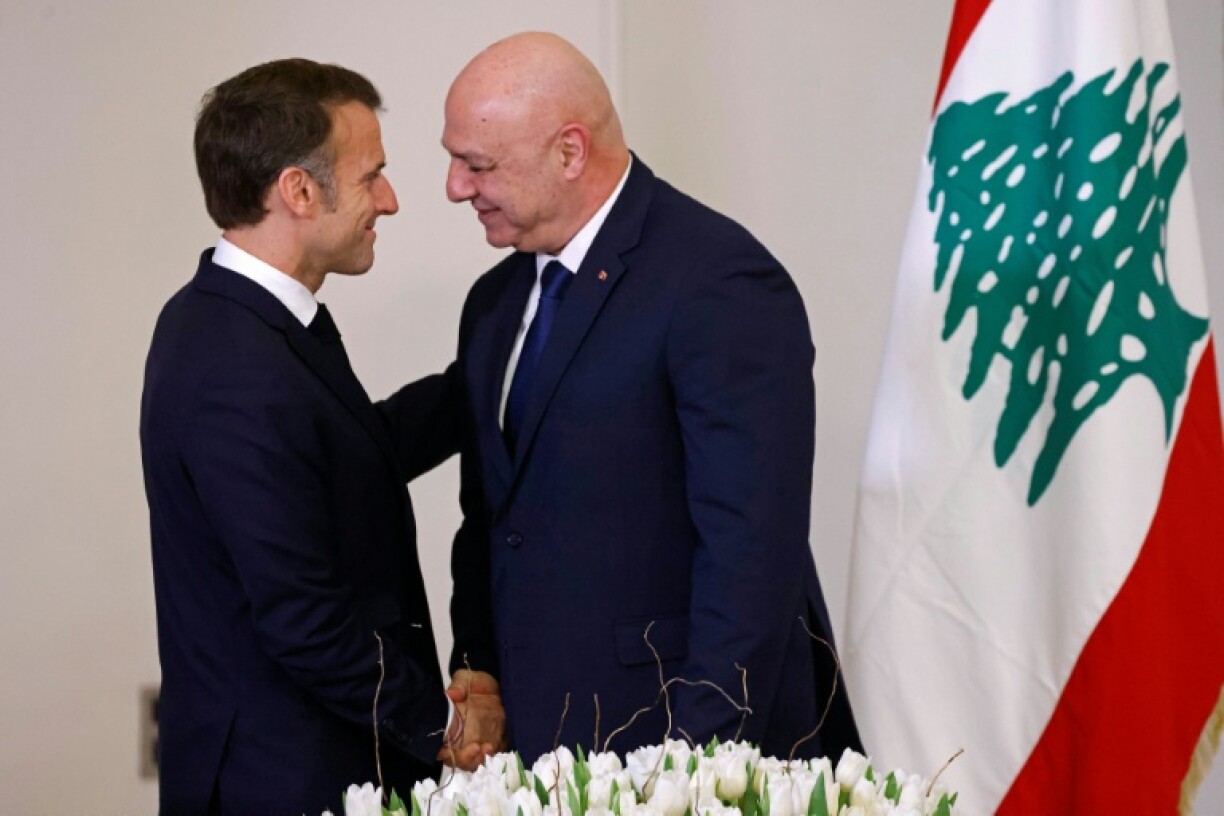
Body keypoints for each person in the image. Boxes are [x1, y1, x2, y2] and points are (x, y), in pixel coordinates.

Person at [442, 32, 861, 761]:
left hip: (677, 750)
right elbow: (490, 518)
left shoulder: (719, 281)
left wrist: (696, 766)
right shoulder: (494, 300)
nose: (454, 187)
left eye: (476, 164)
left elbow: (752, 560)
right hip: (537, 758)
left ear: (569, 152)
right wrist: (475, 666)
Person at [140, 58, 501, 815]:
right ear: (299, 192)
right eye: (372, 175)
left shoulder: (237, 318)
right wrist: (444, 726)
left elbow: (353, 455)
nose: (392, 201)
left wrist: (504, 369)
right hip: (280, 783)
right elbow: (304, 622)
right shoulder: (233, 364)